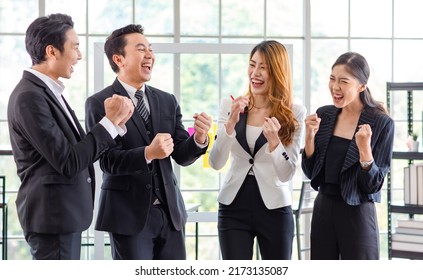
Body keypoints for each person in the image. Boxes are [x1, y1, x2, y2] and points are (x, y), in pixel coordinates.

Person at [7, 13, 134, 260]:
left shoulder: (48, 92)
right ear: (52, 52)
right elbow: (68, 161)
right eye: (75, 47)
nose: (79, 55)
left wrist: (115, 122)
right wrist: (108, 122)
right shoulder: (29, 96)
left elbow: (73, 151)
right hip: (53, 219)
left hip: (61, 217)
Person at [85, 24, 212, 260]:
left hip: (169, 214)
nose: (150, 55)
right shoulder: (99, 102)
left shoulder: (166, 100)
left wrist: (199, 139)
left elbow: (182, 155)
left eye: (150, 50)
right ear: (119, 59)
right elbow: (108, 162)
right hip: (128, 216)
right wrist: (148, 153)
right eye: (141, 49)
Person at [208, 40, 306, 260]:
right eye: (252, 64)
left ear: (278, 71)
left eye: (264, 67)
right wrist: (231, 123)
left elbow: (287, 173)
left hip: (274, 208)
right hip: (233, 205)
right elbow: (215, 162)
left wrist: (274, 142)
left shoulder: (294, 113)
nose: (255, 72)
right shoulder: (230, 105)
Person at [301, 52, 394, 260]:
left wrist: (364, 150)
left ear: (362, 86)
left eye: (343, 81)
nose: (335, 87)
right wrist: (309, 138)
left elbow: (374, 185)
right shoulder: (324, 115)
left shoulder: (381, 122)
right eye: (332, 79)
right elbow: (310, 172)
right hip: (323, 209)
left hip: (357, 213)